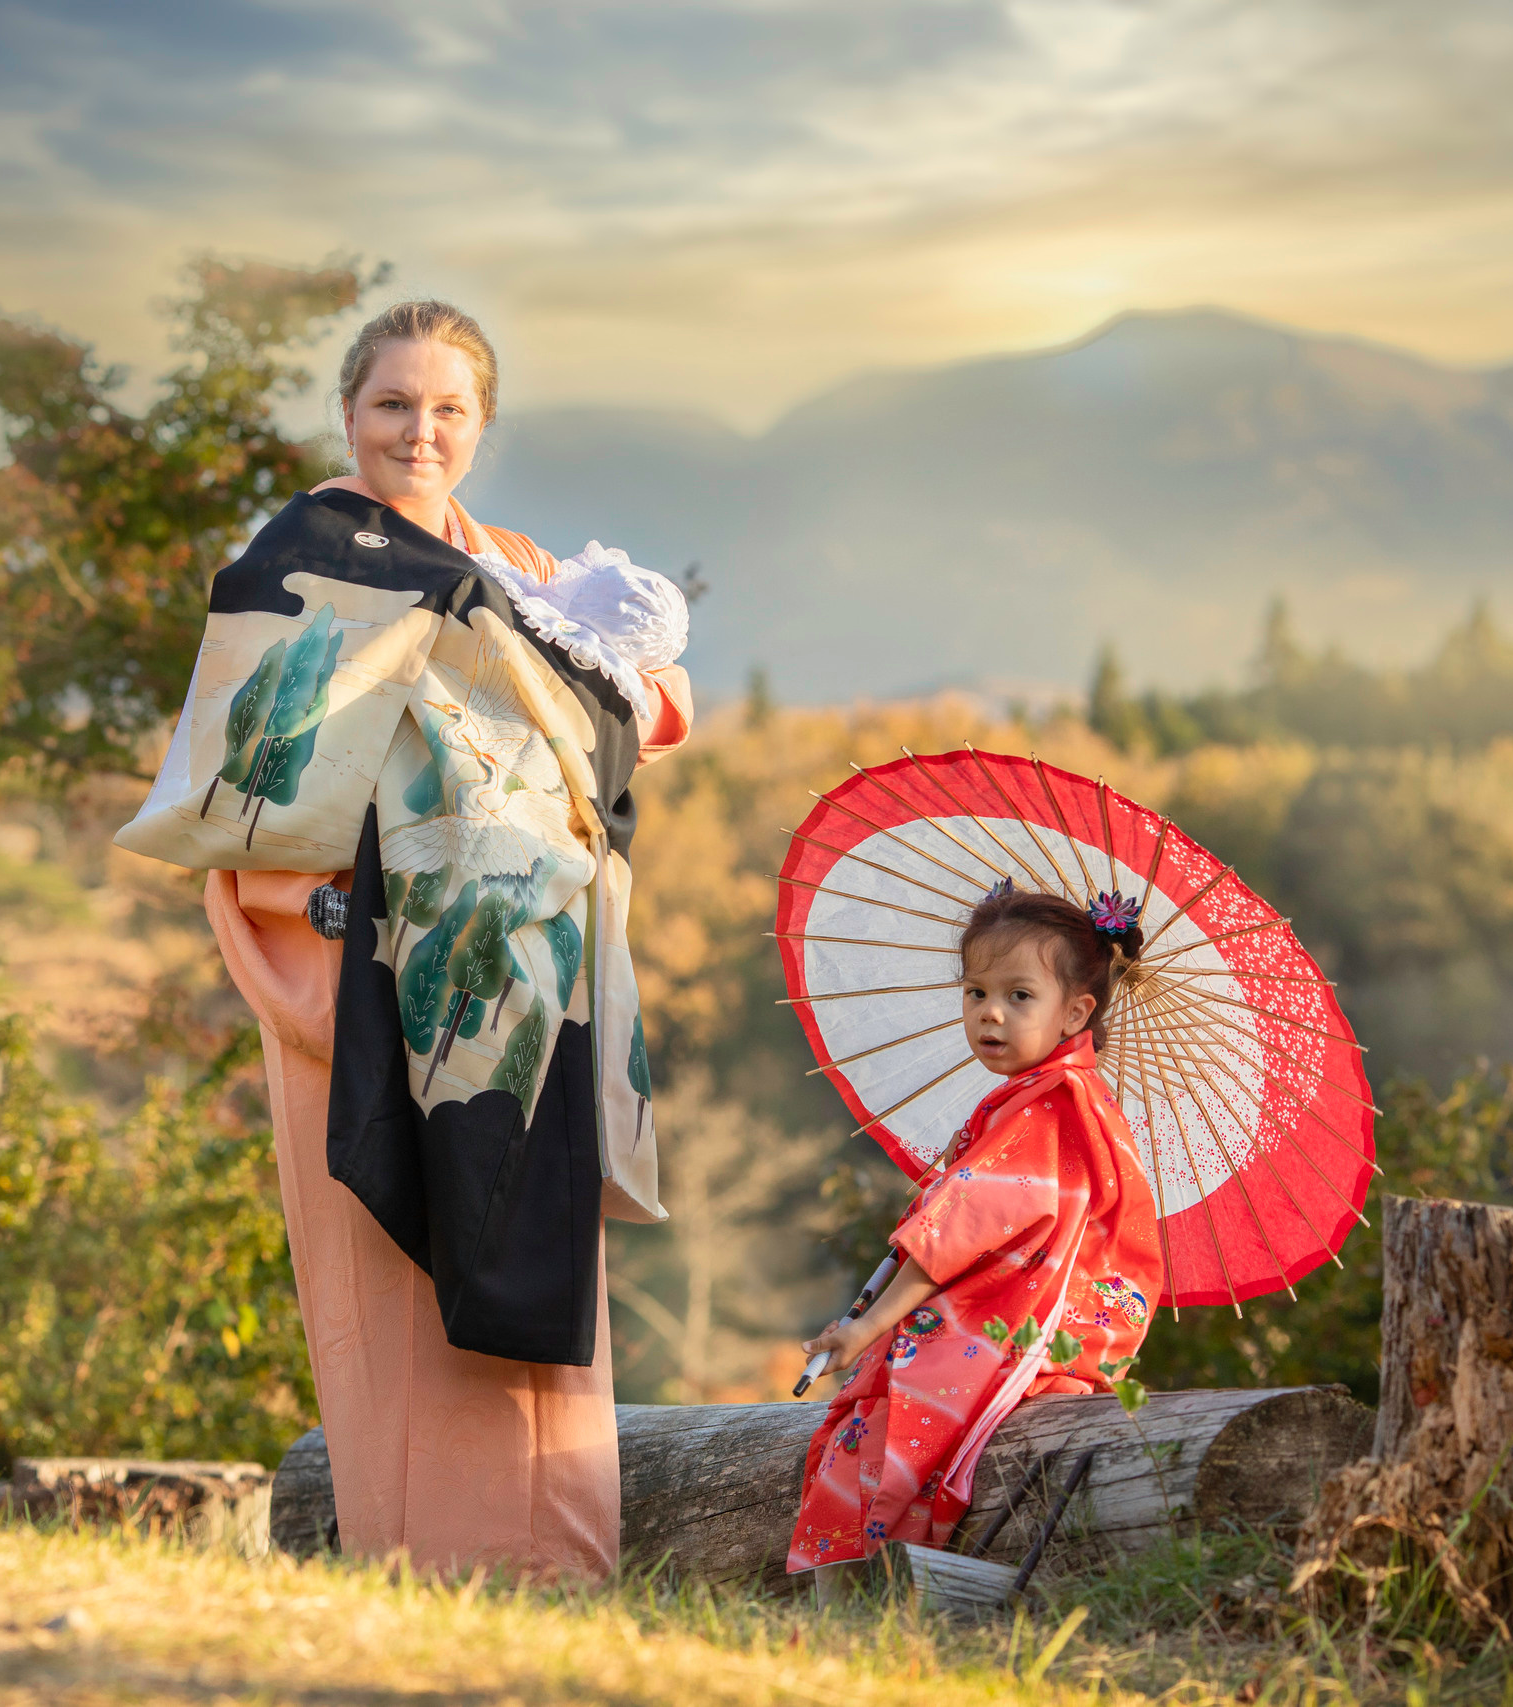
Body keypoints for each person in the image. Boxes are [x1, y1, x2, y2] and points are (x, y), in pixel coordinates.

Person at [115, 300, 692, 1580]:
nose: (416, 431)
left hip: (526, 988)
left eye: (446, 409)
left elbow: (640, 704)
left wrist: (613, 666)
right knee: (396, 1298)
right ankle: (426, 1564)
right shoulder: (305, 564)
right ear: (347, 415)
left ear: (480, 426)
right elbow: (250, 775)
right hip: (369, 977)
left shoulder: (521, 562)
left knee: (535, 1258)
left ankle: (559, 1563)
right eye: (391, 404)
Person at [786, 887, 1164, 1580]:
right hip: (1033, 1317)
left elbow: (955, 1237)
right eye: (975, 990)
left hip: (1022, 1325)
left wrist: (863, 1329)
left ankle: (869, 1580)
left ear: (1076, 1011)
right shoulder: (1048, 1097)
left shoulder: (1048, 1107)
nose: (990, 1012)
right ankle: (858, 1582)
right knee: (881, 1402)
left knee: (896, 1405)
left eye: (1020, 995)